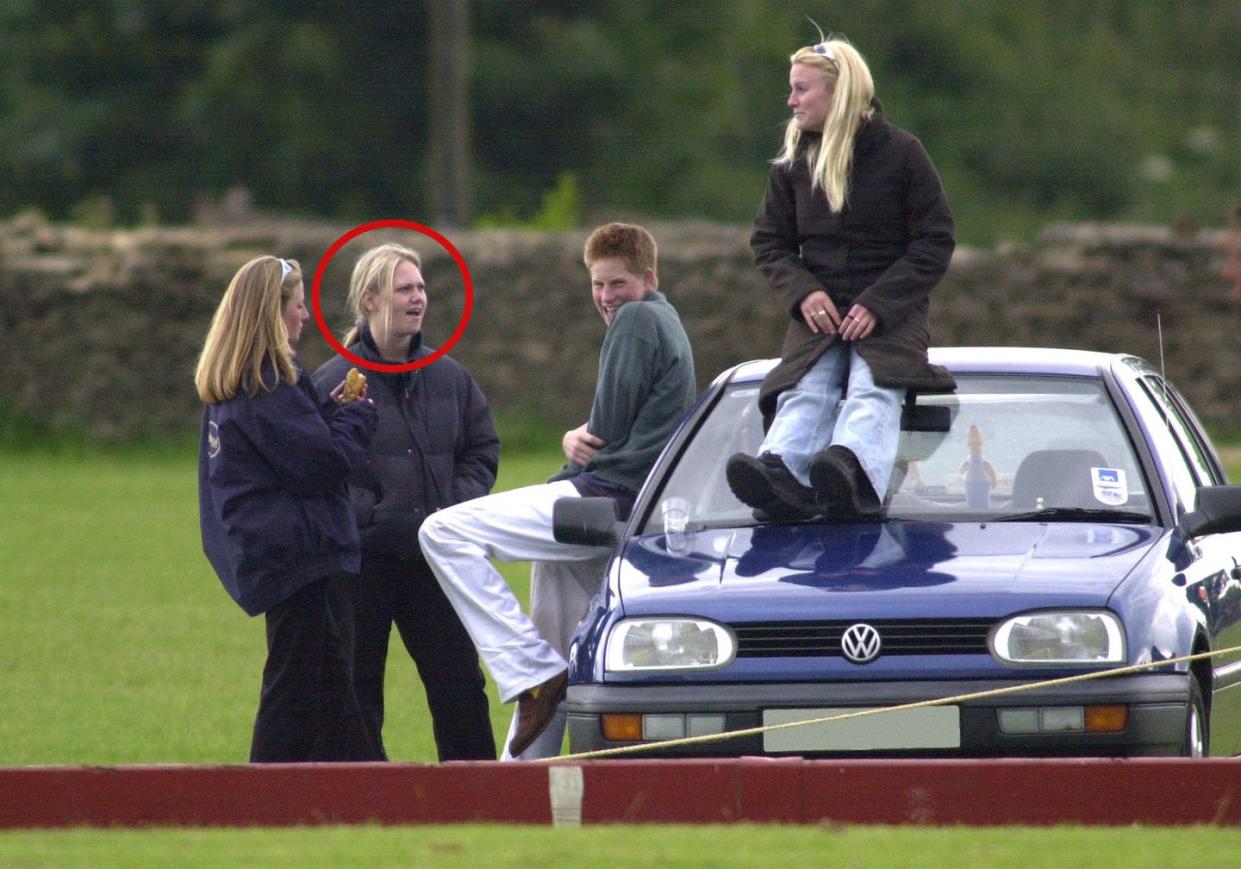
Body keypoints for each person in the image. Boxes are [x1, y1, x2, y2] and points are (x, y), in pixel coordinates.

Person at [418, 222, 696, 759]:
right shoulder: (668, 322)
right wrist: (578, 441)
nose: (607, 298)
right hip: (623, 509)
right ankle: (520, 776)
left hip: (600, 501)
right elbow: (612, 429)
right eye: (597, 286)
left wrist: (572, 449)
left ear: (649, 277)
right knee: (561, 645)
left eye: (617, 284)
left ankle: (529, 674)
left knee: (442, 531)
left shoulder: (638, 320)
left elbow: (606, 430)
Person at [727, 37, 956, 521]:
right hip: (820, 313)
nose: (791, 102)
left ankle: (849, 470)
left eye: (801, 89)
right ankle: (779, 472)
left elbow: (934, 241)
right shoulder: (792, 166)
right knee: (806, 387)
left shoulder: (904, 154)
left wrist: (879, 304)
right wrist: (804, 292)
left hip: (891, 313)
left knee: (876, 388)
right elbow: (769, 243)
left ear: (839, 93)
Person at [312, 243, 500, 761]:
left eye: (420, 288)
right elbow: (317, 466)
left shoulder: (451, 379)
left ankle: (480, 796)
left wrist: (451, 509)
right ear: (370, 300)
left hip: (435, 562)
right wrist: (368, 515)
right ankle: (363, 799)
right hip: (360, 565)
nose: (418, 298)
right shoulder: (331, 384)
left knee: (460, 689)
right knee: (355, 693)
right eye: (405, 289)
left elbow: (482, 448)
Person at [196, 255, 382, 762]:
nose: (305, 317)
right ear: (271, 313)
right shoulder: (267, 382)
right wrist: (357, 418)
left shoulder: (238, 383)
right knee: (298, 690)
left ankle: (363, 788)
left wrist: (330, 412)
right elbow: (322, 465)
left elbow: (295, 448)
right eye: (298, 307)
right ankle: (271, 794)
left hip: (279, 554)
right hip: (303, 558)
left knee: (327, 690)